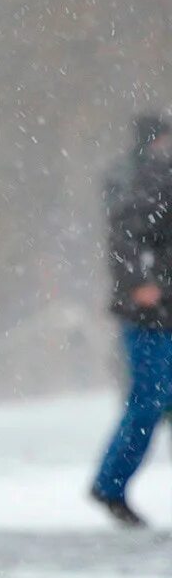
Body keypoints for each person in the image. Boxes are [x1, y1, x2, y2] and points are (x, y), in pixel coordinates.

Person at [92, 112, 172, 528]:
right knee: (148, 403)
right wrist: (140, 283)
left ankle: (111, 486)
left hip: (161, 312)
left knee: (156, 402)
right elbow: (126, 235)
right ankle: (110, 485)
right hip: (151, 317)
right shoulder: (153, 179)